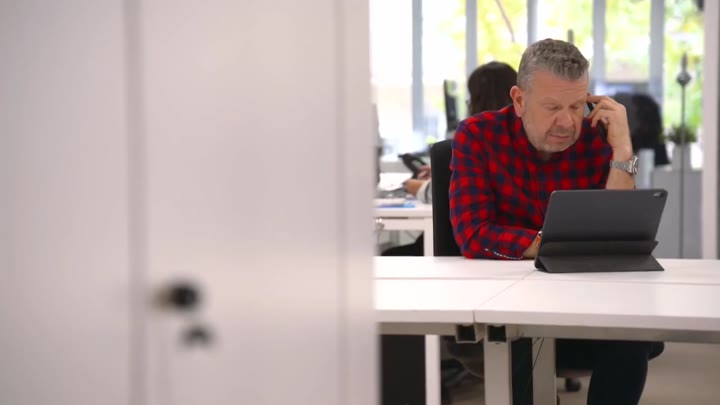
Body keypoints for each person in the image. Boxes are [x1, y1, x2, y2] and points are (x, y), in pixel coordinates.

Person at [449, 39, 663, 404]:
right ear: (519, 100)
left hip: (582, 311)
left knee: (630, 335)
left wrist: (623, 150)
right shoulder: (478, 136)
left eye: (576, 106)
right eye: (552, 107)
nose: (567, 122)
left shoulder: (597, 138)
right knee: (515, 345)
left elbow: (617, 238)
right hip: (505, 310)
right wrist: (559, 245)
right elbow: (473, 234)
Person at [381, 62, 517, 256]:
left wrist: (413, 185)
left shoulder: (481, 138)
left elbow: (446, 193)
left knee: (390, 256)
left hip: (483, 246)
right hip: (493, 246)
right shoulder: (484, 140)